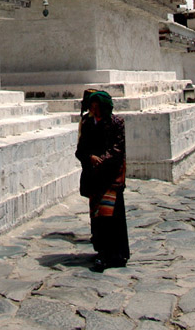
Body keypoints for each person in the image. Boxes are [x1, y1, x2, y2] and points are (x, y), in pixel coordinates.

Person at [75, 90, 130, 270]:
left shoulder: (117, 122)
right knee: (98, 216)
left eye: (97, 106)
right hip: (95, 177)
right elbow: (80, 149)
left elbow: (118, 148)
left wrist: (102, 160)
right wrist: (90, 157)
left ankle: (115, 253)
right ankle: (102, 251)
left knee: (110, 216)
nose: (94, 109)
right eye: (92, 105)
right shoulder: (88, 123)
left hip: (111, 176)